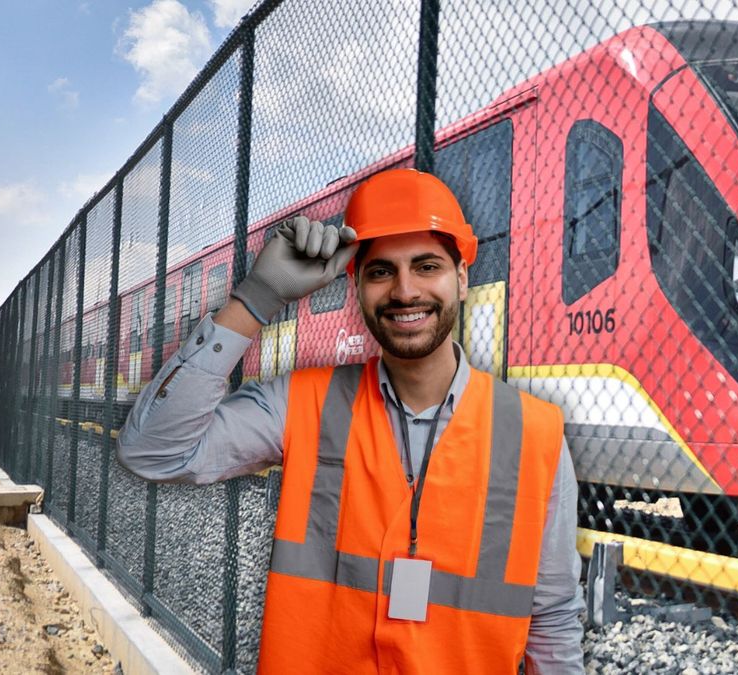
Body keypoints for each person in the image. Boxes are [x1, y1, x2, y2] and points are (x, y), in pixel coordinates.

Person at [117, 168, 585, 673]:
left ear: (463, 278)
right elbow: (151, 451)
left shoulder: (535, 434)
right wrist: (256, 299)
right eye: (381, 271)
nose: (405, 292)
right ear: (356, 287)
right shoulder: (303, 404)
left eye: (427, 266)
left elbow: (553, 620)